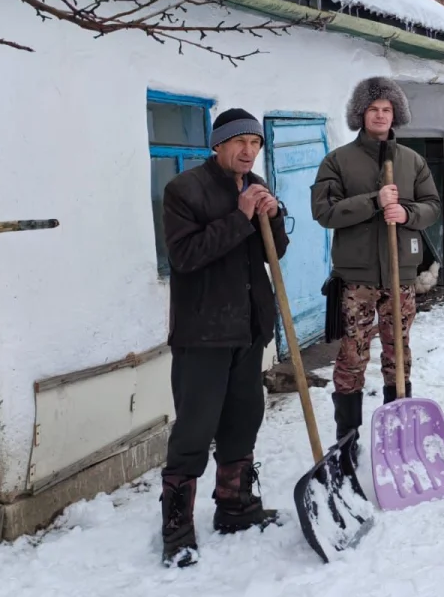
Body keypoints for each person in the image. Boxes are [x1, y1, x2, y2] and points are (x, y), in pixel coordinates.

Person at [159, 108, 289, 568]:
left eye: (255, 143)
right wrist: (241, 216)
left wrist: (270, 217)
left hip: (249, 327)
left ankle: (235, 506)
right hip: (203, 331)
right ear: (218, 145)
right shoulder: (184, 190)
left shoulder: (257, 187)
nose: (248, 151)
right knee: (195, 428)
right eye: (239, 142)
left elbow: (276, 253)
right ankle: (176, 528)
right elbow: (186, 255)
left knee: (243, 418)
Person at [310, 77, 441, 470]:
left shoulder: (412, 160)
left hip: (400, 279)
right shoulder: (339, 160)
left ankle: (397, 435)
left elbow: (433, 204)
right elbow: (324, 211)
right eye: (373, 109)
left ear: (395, 114)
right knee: (352, 358)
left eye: (386, 109)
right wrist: (373, 201)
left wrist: (408, 214)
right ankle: (346, 443)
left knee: (398, 356)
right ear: (361, 115)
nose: (381, 115)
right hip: (357, 281)